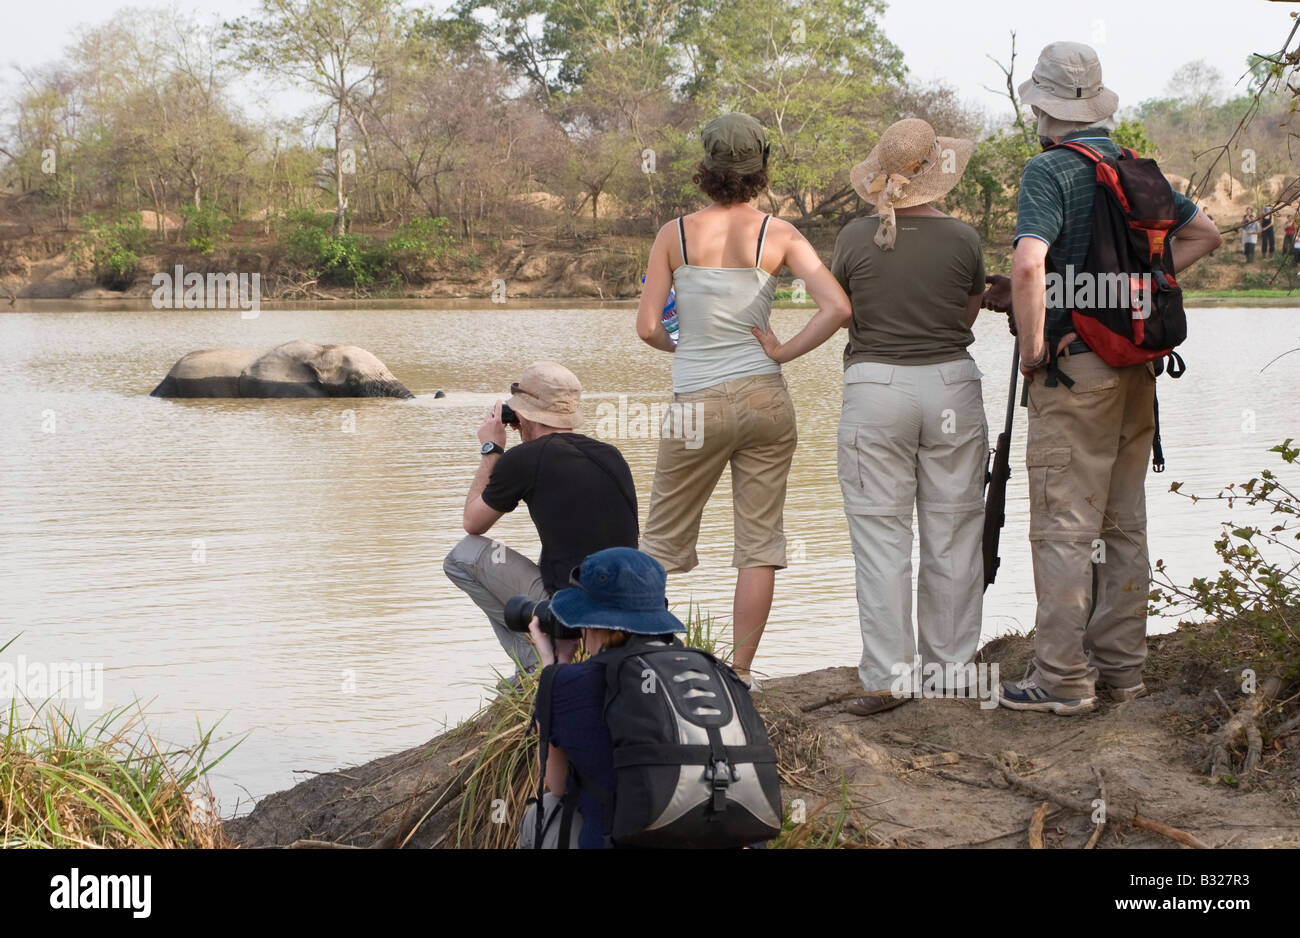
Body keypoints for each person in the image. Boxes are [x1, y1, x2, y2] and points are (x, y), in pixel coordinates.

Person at [1000, 41, 1222, 715]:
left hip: (1075, 373)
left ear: (1042, 107)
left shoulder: (1050, 170)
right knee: (1123, 523)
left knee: (1065, 524)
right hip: (1137, 368)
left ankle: (1062, 678)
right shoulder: (1132, 167)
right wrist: (1138, 294)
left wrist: (1034, 349)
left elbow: (1029, 266)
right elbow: (1204, 233)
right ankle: (1123, 673)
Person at [635, 112, 852, 687]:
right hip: (764, 399)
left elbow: (647, 327)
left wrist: (680, 345)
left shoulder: (673, 234)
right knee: (759, 542)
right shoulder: (778, 234)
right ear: (761, 169)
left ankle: (646, 667)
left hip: (697, 402)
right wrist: (781, 353)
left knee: (659, 539)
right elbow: (836, 307)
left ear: (706, 168)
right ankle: (741, 672)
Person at [829, 118, 988, 716]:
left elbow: (845, 312)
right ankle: (950, 673)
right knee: (953, 530)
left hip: (875, 388)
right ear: (937, 172)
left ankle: (890, 679)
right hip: (949, 384)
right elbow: (966, 319)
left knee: (880, 539)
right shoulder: (964, 239)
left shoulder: (851, 237)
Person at [444, 361, 639, 675]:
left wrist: (491, 448)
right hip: (630, 606)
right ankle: (574, 646)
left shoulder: (524, 459)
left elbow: (473, 522)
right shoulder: (611, 455)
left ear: (521, 414)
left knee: (461, 555)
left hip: (573, 609)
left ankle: (535, 663)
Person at [518, 547, 685, 849]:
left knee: (540, 814)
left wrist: (552, 670)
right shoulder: (708, 671)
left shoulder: (570, 685)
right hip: (717, 831)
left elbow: (556, 784)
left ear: (590, 622)